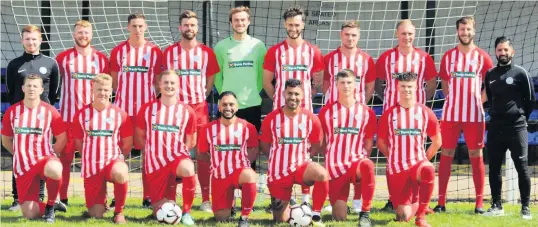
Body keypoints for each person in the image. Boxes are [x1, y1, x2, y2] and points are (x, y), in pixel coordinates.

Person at [375, 19, 438, 212]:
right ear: (397, 34)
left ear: (414, 35)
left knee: (415, 155)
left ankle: (417, 199)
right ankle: (393, 199)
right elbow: (377, 82)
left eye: (410, 33)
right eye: (403, 33)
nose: (407, 37)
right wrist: (386, 99)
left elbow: (432, 82)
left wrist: (421, 102)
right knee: (392, 157)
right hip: (392, 115)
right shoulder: (386, 57)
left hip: (416, 115)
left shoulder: (424, 57)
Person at [262, 5, 322, 207]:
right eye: (290, 24)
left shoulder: (313, 51)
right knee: (277, 150)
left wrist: (307, 98)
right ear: (284, 25)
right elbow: (267, 82)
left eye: (297, 24)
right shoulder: (275, 51)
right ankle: (280, 196)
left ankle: (306, 200)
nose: (293, 28)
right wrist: (280, 99)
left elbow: (318, 80)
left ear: (302, 24)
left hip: (304, 112)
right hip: (280, 112)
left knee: (303, 152)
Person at [162, 10, 220, 213]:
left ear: (197, 28)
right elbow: (163, 79)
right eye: (185, 25)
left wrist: (202, 94)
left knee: (203, 154)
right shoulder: (169, 52)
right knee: (174, 153)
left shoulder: (206, 53)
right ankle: (170, 198)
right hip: (175, 111)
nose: (189, 28)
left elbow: (211, 78)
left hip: (198, 109)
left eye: (193, 25)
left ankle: (205, 199)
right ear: (180, 27)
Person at [434, 16, 494, 214]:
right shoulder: (448, 56)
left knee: (476, 155)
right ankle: (441, 202)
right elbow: (444, 82)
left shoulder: (482, 57)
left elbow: (490, 84)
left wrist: (479, 101)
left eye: (468, 29)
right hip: (451, 115)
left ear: (473, 31)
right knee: (447, 154)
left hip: (474, 115)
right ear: (457, 31)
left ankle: (479, 204)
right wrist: (451, 99)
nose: (465, 33)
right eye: (462, 29)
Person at [322, 19, 376, 214]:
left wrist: (357, 105)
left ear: (358, 36)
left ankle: (358, 201)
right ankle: (332, 196)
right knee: (332, 152)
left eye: (354, 35)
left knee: (361, 155)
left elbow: (369, 87)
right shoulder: (329, 59)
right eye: (347, 34)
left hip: (357, 114)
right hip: (334, 114)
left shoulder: (367, 60)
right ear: (340, 35)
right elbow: (325, 84)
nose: (350, 38)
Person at [109, 12, 162, 208]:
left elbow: (158, 82)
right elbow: (114, 81)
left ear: (145, 27)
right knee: (120, 153)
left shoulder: (155, 51)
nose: (137, 29)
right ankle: (118, 195)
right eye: (134, 26)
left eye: (141, 26)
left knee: (148, 154)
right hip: (123, 112)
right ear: (128, 28)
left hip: (147, 113)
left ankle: (148, 196)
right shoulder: (118, 51)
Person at [260, 79, 329, 227]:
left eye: (296, 94)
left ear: (303, 96)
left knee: (322, 174)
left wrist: (306, 156)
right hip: (278, 172)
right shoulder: (271, 119)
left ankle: (316, 215)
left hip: (301, 167)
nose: (293, 97)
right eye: (290, 93)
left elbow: (317, 144)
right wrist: (276, 160)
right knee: (281, 220)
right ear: (284, 94)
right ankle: (295, 208)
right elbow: (265, 146)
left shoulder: (311, 118)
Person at [5, 24, 60, 211]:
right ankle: (16, 198)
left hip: (42, 118)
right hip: (19, 117)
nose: (31, 42)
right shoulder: (14, 65)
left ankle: (42, 196)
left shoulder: (51, 63)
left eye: (34, 39)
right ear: (22, 41)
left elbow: (52, 93)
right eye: (27, 39)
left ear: (40, 40)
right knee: (18, 155)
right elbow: (12, 91)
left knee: (41, 154)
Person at [56, 19, 110, 206]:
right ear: (74, 34)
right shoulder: (63, 58)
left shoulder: (101, 59)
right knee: (64, 160)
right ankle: (61, 198)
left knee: (97, 160)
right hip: (69, 119)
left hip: (95, 121)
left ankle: (99, 198)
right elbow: (55, 85)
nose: (83, 36)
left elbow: (106, 87)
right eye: (79, 32)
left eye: (86, 32)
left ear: (91, 35)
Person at [377, 72, 441, 227]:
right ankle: (419, 204)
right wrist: (393, 157)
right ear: (398, 87)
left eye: (410, 86)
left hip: (417, 165)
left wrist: (424, 159)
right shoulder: (389, 114)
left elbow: (437, 142)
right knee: (402, 216)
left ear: (417, 87)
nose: (407, 90)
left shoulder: (425, 112)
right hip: (397, 169)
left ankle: (420, 217)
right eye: (404, 86)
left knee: (428, 169)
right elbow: (380, 143)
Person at [135, 70, 198, 225]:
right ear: (160, 85)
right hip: (155, 164)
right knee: (161, 211)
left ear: (178, 86)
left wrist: (179, 156)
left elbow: (191, 140)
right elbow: (140, 136)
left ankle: (186, 213)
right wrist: (152, 153)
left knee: (189, 169)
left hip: (176, 158)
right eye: (166, 83)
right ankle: (161, 205)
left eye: (172, 83)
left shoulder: (187, 110)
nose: (169, 86)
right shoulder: (147, 109)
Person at [1, 75, 67, 223]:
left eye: (35, 86)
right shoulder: (12, 112)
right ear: (23, 88)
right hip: (23, 167)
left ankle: (50, 207)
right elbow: (6, 140)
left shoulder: (50, 111)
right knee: (29, 214)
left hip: (44, 160)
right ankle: (53, 204)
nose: (32, 89)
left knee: (55, 168)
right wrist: (19, 154)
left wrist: (53, 156)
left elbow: (62, 138)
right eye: (29, 85)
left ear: (41, 90)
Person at [483, 36, 535, 220]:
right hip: (496, 128)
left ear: (512, 52)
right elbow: (489, 98)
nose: (502, 53)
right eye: (499, 50)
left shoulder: (521, 73)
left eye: (505, 50)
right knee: (494, 167)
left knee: (522, 167)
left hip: (517, 128)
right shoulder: (490, 74)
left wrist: (519, 118)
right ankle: (497, 205)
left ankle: (525, 207)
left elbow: (530, 101)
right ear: (495, 52)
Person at [318, 70, 376, 227]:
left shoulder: (366, 112)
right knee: (339, 217)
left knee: (368, 165)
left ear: (356, 85)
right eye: (342, 82)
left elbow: (368, 142)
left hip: (356, 162)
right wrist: (329, 157)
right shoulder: (326, 112)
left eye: (349, 82)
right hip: (335, 166)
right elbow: (322, 141)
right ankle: (342, 204)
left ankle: (365, 213)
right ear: (336, 85)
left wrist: (362, 159)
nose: (346, 86)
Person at [72, 74, 133, 224]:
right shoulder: (81, 115)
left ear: (111, 91)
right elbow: (78, 142)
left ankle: (119, 211)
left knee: (121, 171)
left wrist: (118, 159)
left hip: (112, 162)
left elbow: (127, 143)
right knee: (95, 215)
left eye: (106, 90)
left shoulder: (120, 114)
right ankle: (102, 204)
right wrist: (88, 157)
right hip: (92, 166)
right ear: (92, 89)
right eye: (99, 89)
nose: (102, 93)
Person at [214, 6, 267, 171]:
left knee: (250, 147)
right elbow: (217, 76)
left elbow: (261, 75)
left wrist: (252, 91)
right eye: (236, 20)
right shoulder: (221, 47)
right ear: (231, 23)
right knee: (226, 146)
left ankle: (247, 184)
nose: (240, 23)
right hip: (228, 107)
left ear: (248, 22)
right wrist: (227, 97)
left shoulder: (258, 45)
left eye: (243, 19)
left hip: (251, 104)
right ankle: (226, 183)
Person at [197, 91, 259, 227]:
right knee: (221, 218)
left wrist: (242, 162)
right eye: (224, 104)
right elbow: (201, 153)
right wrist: (216, 162)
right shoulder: (208, 129)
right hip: (219, 176)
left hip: (239, 172)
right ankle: (229, 204)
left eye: (231, 104)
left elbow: (253, 149)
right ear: (219, 107)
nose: (228, 107)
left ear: (237, 107)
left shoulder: (248, 127)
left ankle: (244, 217)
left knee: (249, 175)